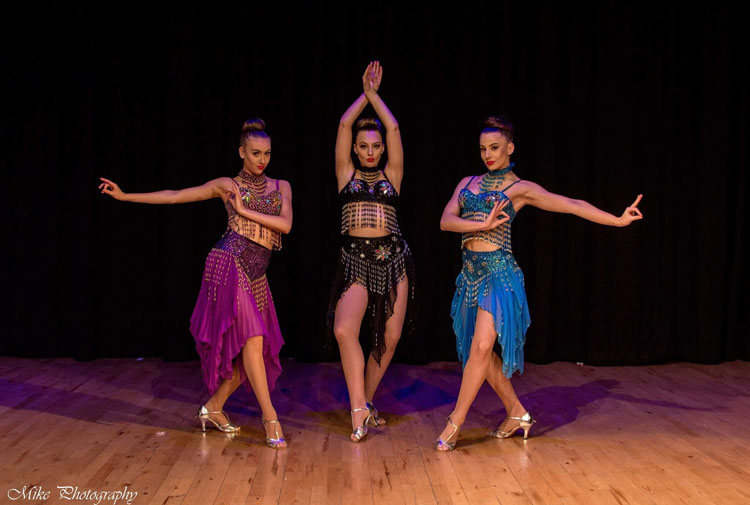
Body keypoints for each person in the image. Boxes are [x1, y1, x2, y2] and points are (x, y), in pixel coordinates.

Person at [436, 116, 643, 451]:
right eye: (483, 149)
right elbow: (446, 221)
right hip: (470, 274)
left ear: (510, 148)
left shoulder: (520, 189)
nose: (488, 155)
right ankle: (517, 413)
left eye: (495, 148)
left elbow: (572, 205)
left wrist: (617, 221)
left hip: (499, 273)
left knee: (482, 348)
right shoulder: (468, 182)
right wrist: (481, 225)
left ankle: (455, 422)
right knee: (481, 354)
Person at [98, 119, 292, 449]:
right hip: (228, 263)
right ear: (241, 152)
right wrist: (126, 196)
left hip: (257, 274)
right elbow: (176, 196)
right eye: (255, 153)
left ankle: (213, 408)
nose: (262, 160)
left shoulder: (281, 186)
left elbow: (285, 226)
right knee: (254, 340)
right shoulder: (227, 184)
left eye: (267, 153)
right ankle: (270, 418)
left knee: (251, 356)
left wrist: (242, 209)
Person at [327, 61, 416, 442]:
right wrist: (363, 95)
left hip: (393, 260)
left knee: (389, 339)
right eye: (363, 146)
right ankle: (358, 408)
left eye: (375, 146)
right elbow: (343, 124)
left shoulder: (392, 175)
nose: (370, 151)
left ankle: (365, 402)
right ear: (354, 149)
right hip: (356, 262)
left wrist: (375, 97)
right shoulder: (345, 174)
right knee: (344, 329)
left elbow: (393, 128)